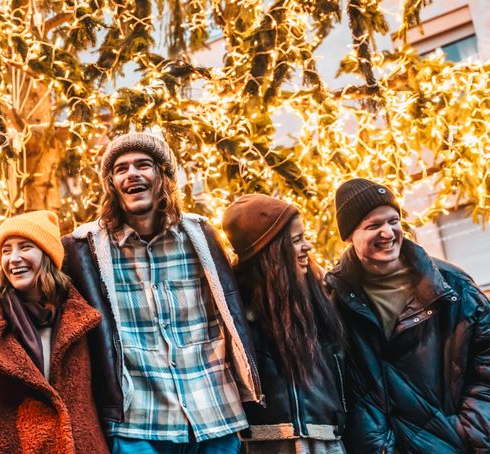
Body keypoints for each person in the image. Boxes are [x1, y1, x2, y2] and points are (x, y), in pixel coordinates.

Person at [61, 132, 260, 453]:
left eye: (144, 165)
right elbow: (39, 291)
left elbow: (237, 304)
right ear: (111, 184)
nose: (132, 174)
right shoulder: (85, 249)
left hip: (213, 412)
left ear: (163, 176)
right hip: (137, 422)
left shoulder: (200, 235)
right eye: (121, 169)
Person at [325, 178, 490, 452]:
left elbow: (486, 359)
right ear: (350, 236)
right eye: (373, 225)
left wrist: (470, 430)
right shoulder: (335, 299)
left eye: (393, 221)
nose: (388, 233)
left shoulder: (450, 285)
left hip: (452, 445)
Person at [0, 211, 108, 453]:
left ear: (47, 254)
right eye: (6, 250)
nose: (13, 258)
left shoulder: (80, 317)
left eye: (24, 247)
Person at [222, 194, 347, 453]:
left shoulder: (322, 298)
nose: (308, 247)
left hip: (328, 443)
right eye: (297, 240)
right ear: (272, 254)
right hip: (266, 446)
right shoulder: (236, 316)